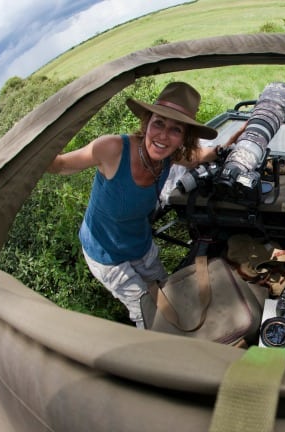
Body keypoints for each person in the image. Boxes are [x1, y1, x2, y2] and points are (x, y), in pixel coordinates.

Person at [48, 82, 229, 328]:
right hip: (107, 255)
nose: (164, 136)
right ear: (146, 123)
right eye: (158, 123)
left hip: (140, 244)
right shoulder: (112, 150)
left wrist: (228, 148)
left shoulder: (171, 156)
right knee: (146, 313)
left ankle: (183, 336)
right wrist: (48, 134)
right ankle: (154, 358)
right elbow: (58, 165)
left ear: (183, 138)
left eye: (175, 129)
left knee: (168, 295)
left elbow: (201, 155)